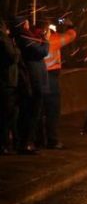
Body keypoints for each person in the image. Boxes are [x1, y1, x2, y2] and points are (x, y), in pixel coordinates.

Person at [12, 17, 49, 155]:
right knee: (31, 111)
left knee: (34, 111)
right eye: (26, 22)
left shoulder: (27, 36)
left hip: (36, 78)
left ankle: (29, 141)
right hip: (33, 80)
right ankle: (25, 142)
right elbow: (42, 52)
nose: (29, 24)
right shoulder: (23, 37)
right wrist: (46, 40)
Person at [42, 18, 77, 149]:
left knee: (40, 111)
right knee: (52, 110)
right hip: (51, 77)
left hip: (38, 76)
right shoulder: (54, 40)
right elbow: (71, 35)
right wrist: (70, 26)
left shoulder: (34, 41)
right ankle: (52, 139)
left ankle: (39, 139)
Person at [1, 20, 21, 155]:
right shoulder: (3, 39)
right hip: (6, 81)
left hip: (5, 81)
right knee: (6, 115)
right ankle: (4, 144)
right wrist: (17, 48)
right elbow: (13, 56)